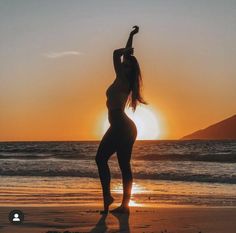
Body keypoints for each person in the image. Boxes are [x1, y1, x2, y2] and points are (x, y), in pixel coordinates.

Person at [95, 26, 147, 214]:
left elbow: (117, 54)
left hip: (120, 124)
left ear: (130, 70)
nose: (124, 65)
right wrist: (131, 36)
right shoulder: (125, 78)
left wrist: (126, 51)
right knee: (123, 165)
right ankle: (124, 205)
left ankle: (109, 198)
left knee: (100, 159)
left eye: (127, 65)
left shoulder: (123, 78)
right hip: (125, 127)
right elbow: (124, 56)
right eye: (125, 64)